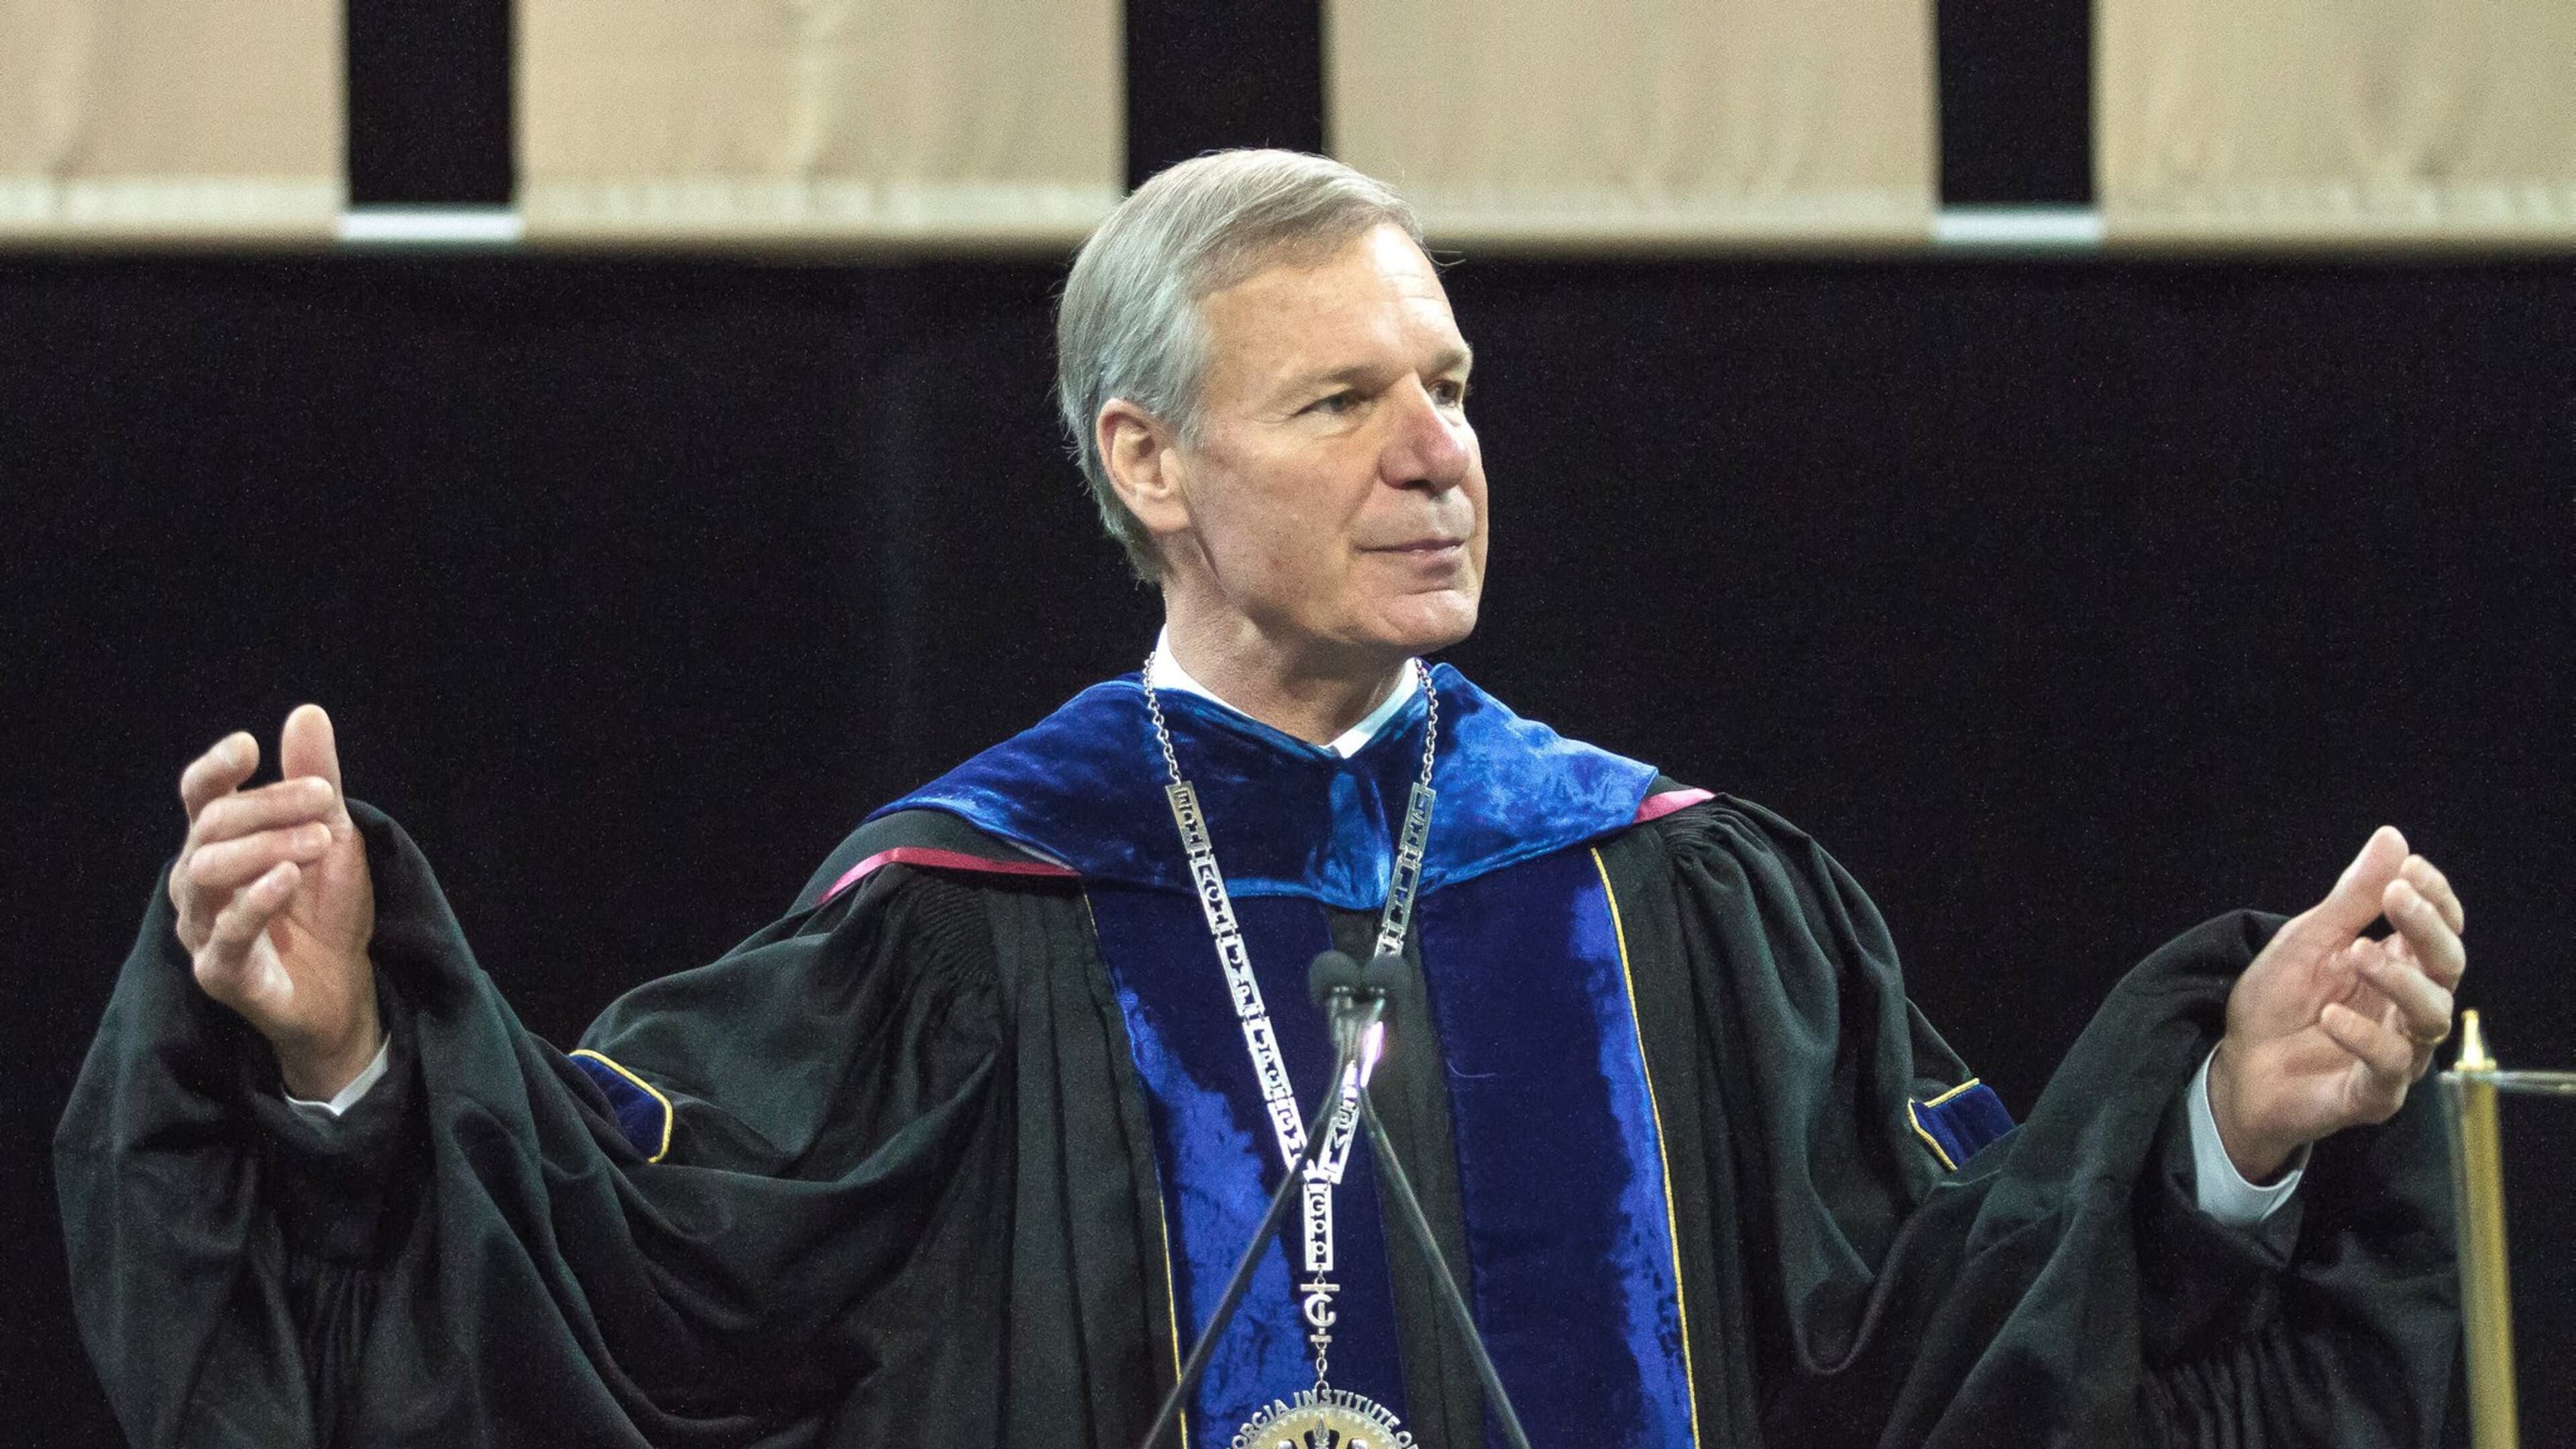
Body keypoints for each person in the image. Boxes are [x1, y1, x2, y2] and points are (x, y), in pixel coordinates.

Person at [60, 151, 2465, 1448]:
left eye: (1456, 386)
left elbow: (1949, 1318)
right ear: (1149, 463)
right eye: (1344, 405)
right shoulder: (957, 916)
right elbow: (629, 1293)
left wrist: (2227, 1129)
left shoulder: (1681, 891)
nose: (1440, 453)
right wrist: (337, 1058)